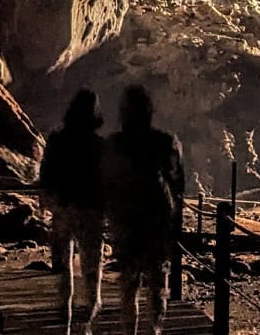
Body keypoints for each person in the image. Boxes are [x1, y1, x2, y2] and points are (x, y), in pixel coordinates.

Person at [103, 85, 184, 335]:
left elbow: (105, 183)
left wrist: (110, 215)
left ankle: (130, 330)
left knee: (129, 285)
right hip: (157, 224)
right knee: (158, 284)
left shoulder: (114, 144)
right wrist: (175, 224)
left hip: (126, 223)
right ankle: (155, 329)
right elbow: (177, 184)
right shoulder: (165, 142)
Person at [39, 89, 106, 335]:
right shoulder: (99, 146)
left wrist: (46, 200)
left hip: (63, 208)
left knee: (64, 267)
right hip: (90, 212)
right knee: (91, 265)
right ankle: (89, 310)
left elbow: (46, 172)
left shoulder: (57, 140)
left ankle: (64, 318)